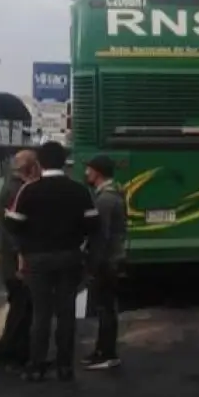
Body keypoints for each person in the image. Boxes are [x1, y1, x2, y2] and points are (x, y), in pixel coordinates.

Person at [4, 141, 98, 382]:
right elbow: (92, 225)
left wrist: (25, 247)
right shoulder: (79, 190)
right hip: (69, 256)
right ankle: (65, 366)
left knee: (41, 313)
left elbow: (12, 224)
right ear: (64, 161)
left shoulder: (29, 190)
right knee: (66, 312)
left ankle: (36, 366)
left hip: (37, 260)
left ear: (40, 163)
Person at [81, 155, 127, 371]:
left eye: (89, 170)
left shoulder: (104, 200)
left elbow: (101, 236)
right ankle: (102, 351)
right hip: (113, 259)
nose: (86, 174)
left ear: (98, 172)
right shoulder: (112, 195)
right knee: (106, 308)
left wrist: (93, 263)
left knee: (105, 309)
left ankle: (107, 354)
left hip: (105, 261)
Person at [0, 149, 38, 372]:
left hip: (11, 256)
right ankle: (11, 355)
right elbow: (14, 229)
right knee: (21, 307)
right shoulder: (17, 190)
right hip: (14, 259)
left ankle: (18, 354)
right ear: (30, 167)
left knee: (22, 306)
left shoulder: (12, 187)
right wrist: (22, 257)